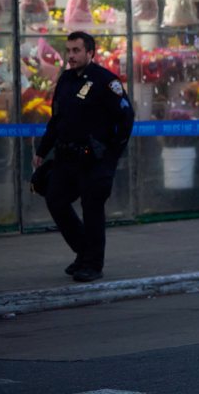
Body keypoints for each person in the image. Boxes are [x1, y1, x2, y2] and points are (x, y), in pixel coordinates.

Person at [32, 31, 134, 283]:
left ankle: (92, 264)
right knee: (55, 200)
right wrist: (42, 151)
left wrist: (111, 154)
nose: (71, 56)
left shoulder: (105, 81)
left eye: (76, 51)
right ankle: (84, 251)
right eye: (68, 51)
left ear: (90, 53)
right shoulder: (66, 79)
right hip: (68, 157)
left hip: (95, 160)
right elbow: (57, 119)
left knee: (92, 208)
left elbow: (126, 117)